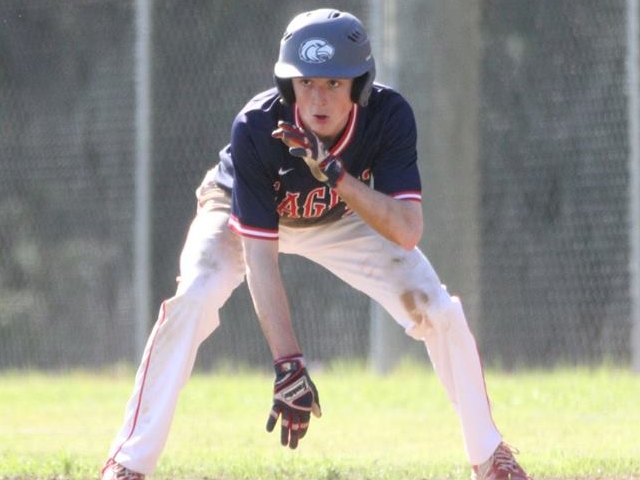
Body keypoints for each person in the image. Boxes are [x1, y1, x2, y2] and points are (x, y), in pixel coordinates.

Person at [101, 8, 532, 480]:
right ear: (288, 85)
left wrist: (336, 175)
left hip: (343, 213)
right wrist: (288, 362)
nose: (317, 97)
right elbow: (260, 256)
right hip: (238, 210)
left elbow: (407, 230)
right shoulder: (257, 126)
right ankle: (128, 462)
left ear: (360, 87)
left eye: (334, 82)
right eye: (305, 82)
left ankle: (490, 457)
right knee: (194, 298)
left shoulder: (388, 116)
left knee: (438, 309)